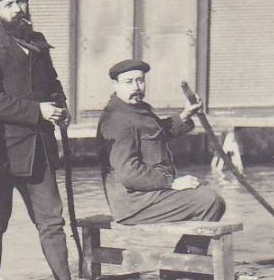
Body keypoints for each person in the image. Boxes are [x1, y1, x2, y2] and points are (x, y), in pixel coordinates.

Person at [0, 0, 92, 280]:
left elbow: (52, 84)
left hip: (38, 151)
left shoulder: (37, 42)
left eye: (22, 1)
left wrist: (62, 110)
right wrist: (39, 111)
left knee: (52, 221)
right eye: (10, 4)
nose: (19, 9)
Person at [96, 59, 226, 224]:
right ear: (115, 84)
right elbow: (128, 173)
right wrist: (171, 183)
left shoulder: (138, 109)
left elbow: (157, 133)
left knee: (204, 192)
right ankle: (187, 250)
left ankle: (188, 249)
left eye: (140, 80)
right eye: (128, 82)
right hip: (134, 203)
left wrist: (186, 114)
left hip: (151, 194)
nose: (136, 87)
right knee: (209, 201)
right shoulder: (117, 120)